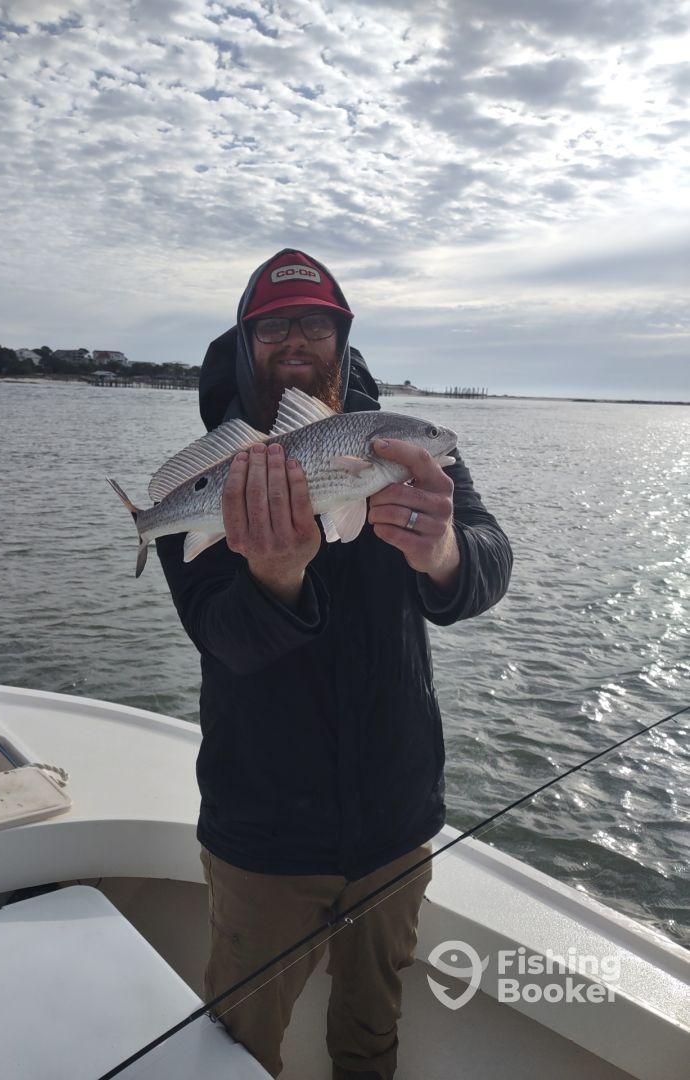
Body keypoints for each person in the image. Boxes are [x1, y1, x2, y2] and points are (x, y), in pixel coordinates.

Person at [156, 249, 513, 1079]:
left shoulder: (405, 447)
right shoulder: (217, 471)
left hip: (395, 817)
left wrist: (446, 553)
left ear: (343, 339)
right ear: (245, 344)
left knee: (372, 1028)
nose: (295, 340)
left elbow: (492, 558)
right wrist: (276, 575)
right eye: (273, 325)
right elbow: (221, 635)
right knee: (240, 1041)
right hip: (261, 835)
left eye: (316, 322)